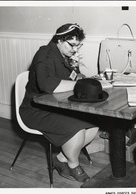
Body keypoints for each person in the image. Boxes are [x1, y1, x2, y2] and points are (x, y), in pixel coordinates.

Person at [20, 23, 99, 183]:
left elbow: (69, 78)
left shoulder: (63, 56)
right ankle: (73, 164)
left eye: (78, 46)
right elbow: (47, 85)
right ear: (60, 40)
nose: (75, 50)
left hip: (55, 107)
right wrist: (80, 85)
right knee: (76, 130)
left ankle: (61, 158)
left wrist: (80, 76)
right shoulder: (44, 54)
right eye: (72, 45)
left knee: (93, 124)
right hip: (35, 110)